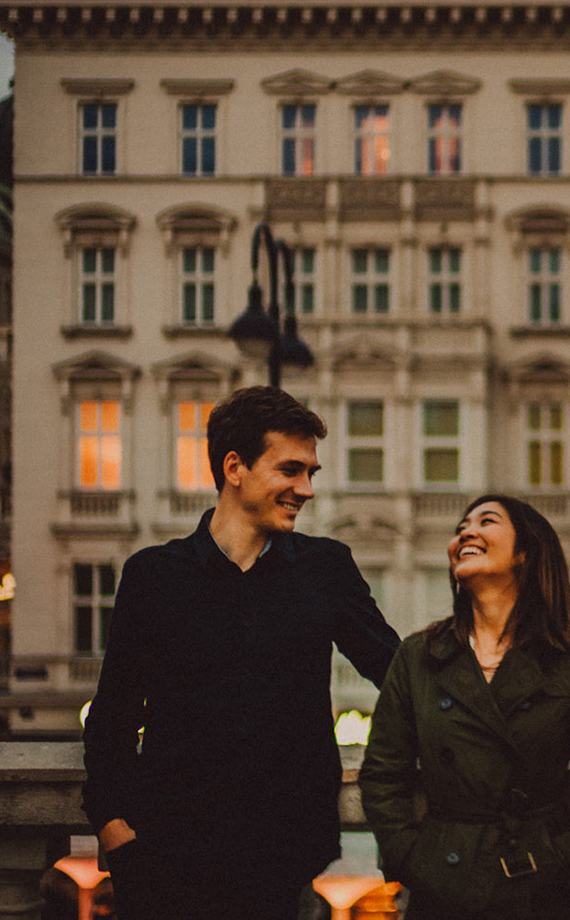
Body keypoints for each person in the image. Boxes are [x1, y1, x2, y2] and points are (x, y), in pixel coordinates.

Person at [82, 386, 401, 920]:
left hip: (283, 866)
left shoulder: (326, 568)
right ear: (235, 467)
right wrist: (117, 832)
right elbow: (113, 716)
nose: (306, 489)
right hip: (165, 867)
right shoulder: (154, 575)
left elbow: (398, 673)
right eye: (291, 470)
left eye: (311, 474)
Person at [360, 494, 570, 919]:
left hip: (538, 889)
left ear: (525, 553)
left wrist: (561, 862)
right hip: (444, 886)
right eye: (461, 528)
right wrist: (413, 860)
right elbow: (382, 774)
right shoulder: (420, 655)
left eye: (486, 521)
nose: (466, 532)